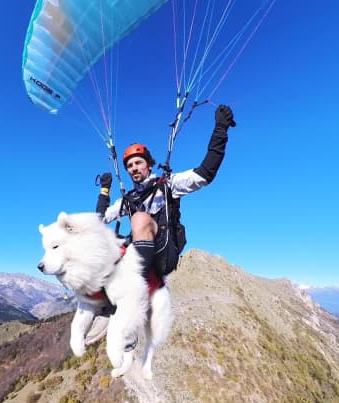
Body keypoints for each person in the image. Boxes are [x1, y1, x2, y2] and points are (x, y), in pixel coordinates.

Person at [96, 104, 235, 281]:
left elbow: (205, 173)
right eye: (130, 166)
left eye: (138, 163)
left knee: (139, 219)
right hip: (138, 254)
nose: (134, 168)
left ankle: (139, 279)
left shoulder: (168, 184)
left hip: (163, 255)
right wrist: (104, 190)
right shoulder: (128, 199)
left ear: (149, 164)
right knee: (99, 240)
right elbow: (99, 221)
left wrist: (220, 129)